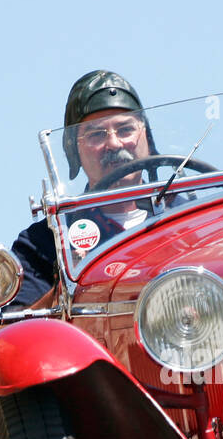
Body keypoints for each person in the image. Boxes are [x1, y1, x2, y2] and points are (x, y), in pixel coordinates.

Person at [9, 70, 157, 308]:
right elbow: (15, 334)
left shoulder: (193, 220)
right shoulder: (46, 241)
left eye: (126, 130)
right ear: (74, 150)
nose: (114, 143)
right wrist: (69, 287)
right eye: (97, 134)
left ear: (147, 137)